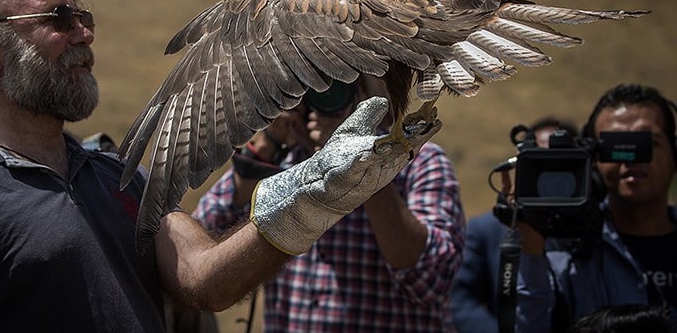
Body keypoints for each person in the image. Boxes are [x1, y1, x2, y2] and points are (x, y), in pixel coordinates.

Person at [0, 0, 441, 332]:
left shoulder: (114, 177)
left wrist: (308, 201)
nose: (84, 35)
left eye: (85, 19)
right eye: (60, 20)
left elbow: (204, 282)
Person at [192, 77, 466, 332]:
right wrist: (268, 144)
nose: (325, 97)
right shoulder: (284, 161)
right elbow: (200, 254)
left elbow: (432, 278)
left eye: (337, 87)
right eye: (314, 87)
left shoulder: (416, 158)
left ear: (363, 93)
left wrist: (364, 163)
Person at [516, 83, 677, 332]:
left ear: (674, 151)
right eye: (616, 145)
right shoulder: (567, 254)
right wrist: (530, 247)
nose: (631, 159)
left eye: (647, 143)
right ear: (594, 159)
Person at [452, 117, 578, 333]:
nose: (549, 172)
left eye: (558, 161)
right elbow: (459, 301)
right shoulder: (488, 230)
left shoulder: (595, 227)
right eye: (538, 161)